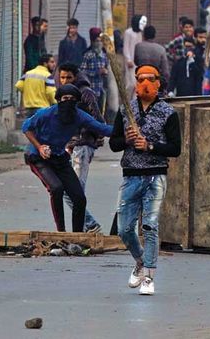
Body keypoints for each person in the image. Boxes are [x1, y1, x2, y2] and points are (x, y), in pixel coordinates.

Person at [109, 65, 182, 296]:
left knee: (150, 225)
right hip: (130, 175)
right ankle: (140, 261)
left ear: (159, 83)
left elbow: (175, 148)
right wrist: (127, 141)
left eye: (151, 79)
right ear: (135, 82)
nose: (146, 84)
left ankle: (149, 276)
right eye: (141, 79)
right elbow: (113, 144)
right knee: (124, 229)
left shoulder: (168, 113)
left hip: (156, 175)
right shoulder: (125, 110)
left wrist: (150, 146)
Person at [23, 84, 113, 233]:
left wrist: (125, 131)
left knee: (79, 198)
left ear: (77, 101)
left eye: (72, 99)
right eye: (65, 99)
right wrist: (39, 147)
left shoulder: (79, 116)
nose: (68, 102)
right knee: (56, 188)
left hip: (59, 158)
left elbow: (101, 128)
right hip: (38, 158)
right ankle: (61, 232)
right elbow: (26, 127)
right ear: (58, 100)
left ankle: (77, 235)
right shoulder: (46, 114)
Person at [57, 65, 106, 233]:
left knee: (73, 192)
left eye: (68, 78)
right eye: (62, 78)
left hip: (83, 145)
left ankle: (89, 226)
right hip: (73, 146)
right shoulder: (64, 95)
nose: (64, 81)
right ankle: (86, 228)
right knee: (71, 192)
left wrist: (95, 137)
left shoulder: (85, 93)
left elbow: (98, 118)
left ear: (75, 77)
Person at [15, 54, 57, 118]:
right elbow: (50, 93)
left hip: (29, 109)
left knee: (30, 127)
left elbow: (18, 86)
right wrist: (56, 104)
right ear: (45, 63)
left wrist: (29, 92)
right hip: (43, 109)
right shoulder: (48, 76)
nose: (54, 64)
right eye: (52, 62)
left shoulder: (28, 73)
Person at [80, 28, 109, 100]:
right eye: (97, 41)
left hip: (101, 90)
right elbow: (82, 73)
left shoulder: (104, 56)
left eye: (100, 41)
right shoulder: (88, 55)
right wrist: (96, 72)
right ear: (92, 42)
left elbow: (106, 70)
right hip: (90, 89)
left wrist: (105, 72)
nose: (99, 43)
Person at [123, 15, 146, 94]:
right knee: (130, 84)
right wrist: (128, 60)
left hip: (138, 62)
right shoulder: (128, 32)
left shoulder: (139, 33)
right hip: (130, 62)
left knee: (137, 84)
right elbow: (126, 47)